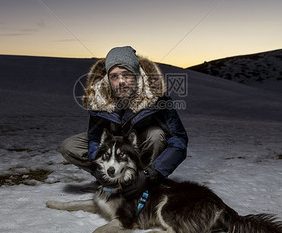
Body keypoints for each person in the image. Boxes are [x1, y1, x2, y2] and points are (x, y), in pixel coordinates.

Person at [59, 46, 188, 197]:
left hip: (140, 148)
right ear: (108, 79)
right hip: (112, 148)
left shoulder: (156, 97)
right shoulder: (99, 97)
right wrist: (98, 169)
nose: (121, 82)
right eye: (114, 76)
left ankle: (143, 183)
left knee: (156, 135)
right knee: (70, 146)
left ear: (137, 74)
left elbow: (178, 140)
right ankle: (112, 179)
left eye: (126, 75)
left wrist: (152, 174)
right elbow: (95, 138)